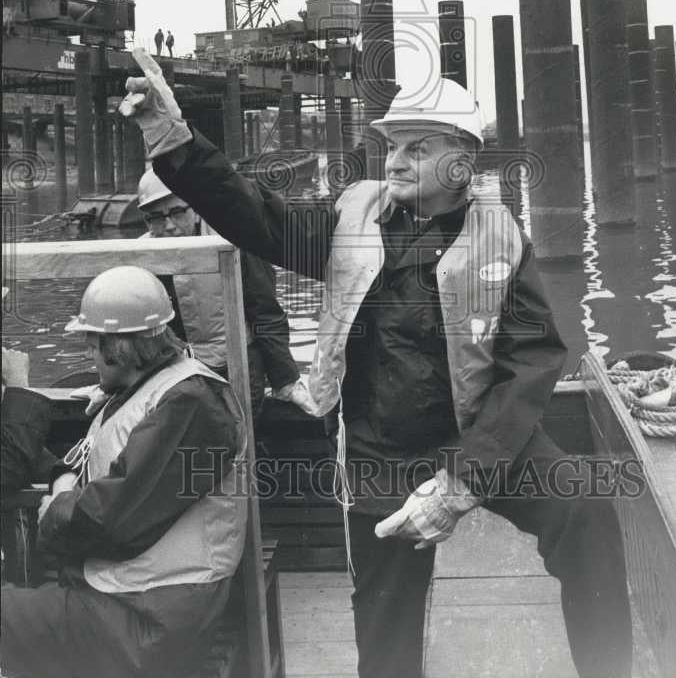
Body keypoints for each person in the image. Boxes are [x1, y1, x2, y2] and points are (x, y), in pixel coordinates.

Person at [119, 74, 633, 678]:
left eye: (418, 147)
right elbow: (249, 210)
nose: (395, 159)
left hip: (479, 436)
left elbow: (532, 361)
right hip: (379, 448)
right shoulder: (349, 219)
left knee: (587, 516)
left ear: (462, 162)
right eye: (391, 145)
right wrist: (168, 133)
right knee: (386, 630)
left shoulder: (501, 238)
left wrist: (464, 481)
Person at [0, 266, 246, 678]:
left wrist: (56, 509)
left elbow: (109, 520)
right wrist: (64, 482)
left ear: (118, 348)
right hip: (134, 597)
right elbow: (86, 459)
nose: (87, 355)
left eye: (92, 345)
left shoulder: (190, 405)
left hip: (145, 620)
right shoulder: (150, 389)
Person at [137, 169, 318, 417]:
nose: (168, 226)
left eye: (178, 212)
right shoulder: (140, 256)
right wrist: (112, 384)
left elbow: (265, 310)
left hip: (239, 365)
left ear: (196, 207)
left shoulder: (234, 238)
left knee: (237, 436)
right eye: (155, 217)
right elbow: (134, 328)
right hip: (178, 369)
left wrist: (285, 379)